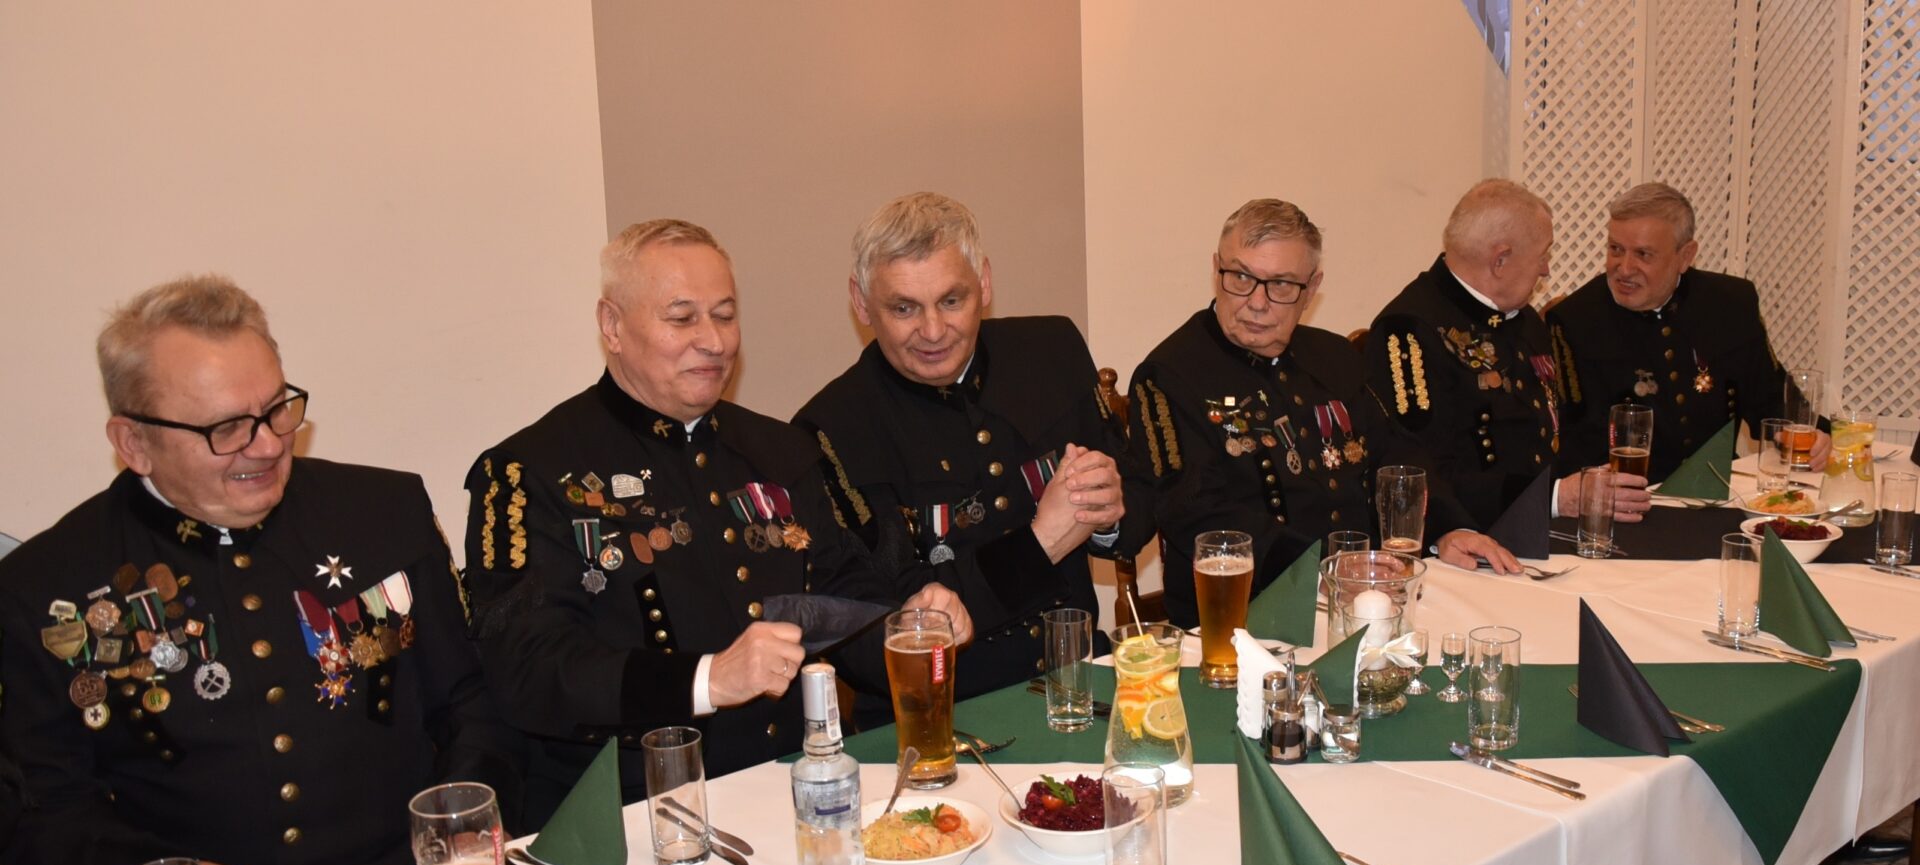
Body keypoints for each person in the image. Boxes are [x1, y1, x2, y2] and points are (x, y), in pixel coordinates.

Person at [0, 276, 523, 865]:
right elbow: (39, 812)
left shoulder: (382, 513)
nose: (270, 444)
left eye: (278, 409)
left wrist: (462, 824)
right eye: (225, 428)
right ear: (133, 443)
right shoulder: (47, 586)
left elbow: (471, 701)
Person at [466, 219, 969, 828]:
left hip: (793, 790)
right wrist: (708, 680)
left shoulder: (780, 451)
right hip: (631, 816)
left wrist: (910, 627)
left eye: (725, 316)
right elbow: (528, 670)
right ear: (612, 325)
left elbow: (840, 597)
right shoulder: (531, 472)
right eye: (682, 319)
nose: (713, 341)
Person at [1122, 199, 1518, 628]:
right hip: (1247, 615)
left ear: (1312, 289)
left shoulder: (1334, 356)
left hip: (1367, 597)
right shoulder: (1170, 374)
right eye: (1241, 277)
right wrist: (1325, 568)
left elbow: (1396, 453)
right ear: (1216, 268)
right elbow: (1195, 512)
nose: (1257, 302)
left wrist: (1448, 528)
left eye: (1281, 285)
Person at [794, 192, 1126, 694]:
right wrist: (1041, 543)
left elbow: (1140, 496)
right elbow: (880, 629)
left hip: (1081, 675)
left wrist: (1108, 515)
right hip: (947, 703)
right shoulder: (831, 431)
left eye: (952, 301)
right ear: (861, 302)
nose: (933, 331)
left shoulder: (1052, 350)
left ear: (985, 283)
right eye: (904, 308)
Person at [1367, 179, 1650, 525]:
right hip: (1473, 534)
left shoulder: (1524, 319)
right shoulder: (1410, 330)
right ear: (1500, 260)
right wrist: (1555, 497)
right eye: (1543, 255)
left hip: (1547, 526)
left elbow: (1552, 436)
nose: (1546, 269)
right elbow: (1422, 475)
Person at [1547, 181, 1830, 479]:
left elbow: (1771, 401)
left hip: (1718, 488)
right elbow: (1573, 442)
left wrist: (1819, 439)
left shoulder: (1731, 303)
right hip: (1627, 495)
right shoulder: (1575, 320)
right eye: (1616, 249)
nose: (1625, 268)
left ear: (1685, 256)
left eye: (1643, 254)